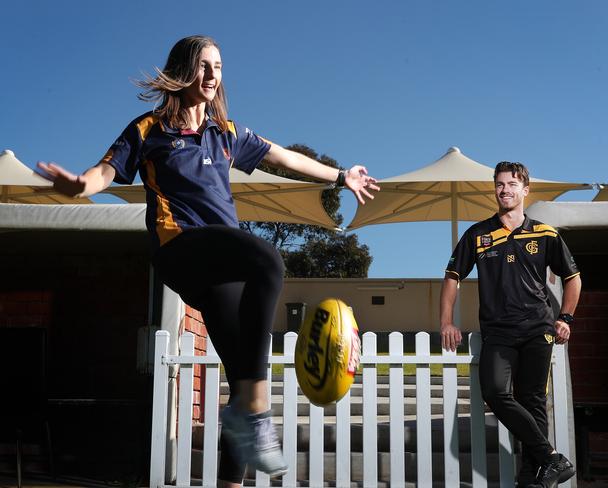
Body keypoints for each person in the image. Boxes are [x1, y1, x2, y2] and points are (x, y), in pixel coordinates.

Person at [37, 35, 379, 488]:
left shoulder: (227, 133)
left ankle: (233, 463)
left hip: (221, 265)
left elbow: (283, 157)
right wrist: (80, 186)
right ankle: (257, 407)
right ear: (182, 71)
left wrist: (341, 176)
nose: (212, 75)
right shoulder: (148, 129)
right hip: (179, 248)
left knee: (239, 375)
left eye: (218, 66)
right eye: (203, 66)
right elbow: (104, 171)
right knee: (268, 260)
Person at [439, 161, 581, 488]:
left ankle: (532, 481)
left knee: (532, 402)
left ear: (525, 190)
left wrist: (566, 317)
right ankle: (551, 458)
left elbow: (573, 279)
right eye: (500, 184)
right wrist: (446, 321)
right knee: (494, 391)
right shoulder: (478, 234)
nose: (505, 190)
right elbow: (451, 278)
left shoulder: (545, 233)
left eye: (512, 184)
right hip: (498, 333)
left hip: (537, 330)